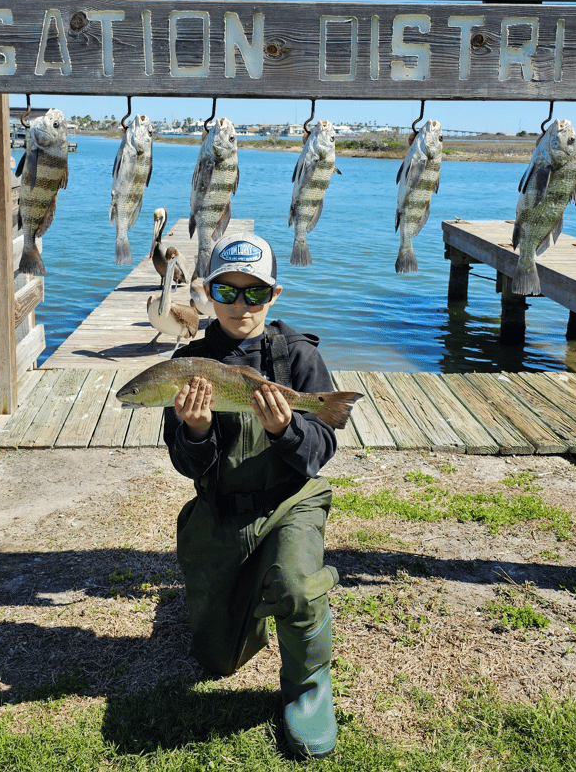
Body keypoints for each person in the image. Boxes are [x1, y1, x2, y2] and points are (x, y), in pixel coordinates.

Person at [163, 232, 339, 760]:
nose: (241, 305)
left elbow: (317, 453)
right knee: (216, 661)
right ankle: (247, 598)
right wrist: (194, 431)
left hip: (290, 502)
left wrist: (288, 430)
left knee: (299, 586)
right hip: (222, 509)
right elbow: (186, 463)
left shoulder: (299, 356)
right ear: (207, 293)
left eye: (255, 294)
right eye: (228, 292)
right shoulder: (191, 362)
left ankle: (309, 690)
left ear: (274, 295)